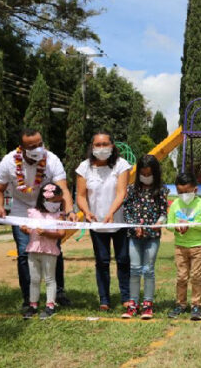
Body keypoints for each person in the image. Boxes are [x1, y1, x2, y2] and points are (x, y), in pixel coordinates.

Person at [0, 128, 75, 313]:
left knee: (54, 251)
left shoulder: (52, 160)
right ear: (21, 148)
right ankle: (29, 299)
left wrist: (69, 210)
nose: (38, 149)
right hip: (22, 210)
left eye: (40, 144)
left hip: (48, 209)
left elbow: (63, 189)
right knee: (24, 253)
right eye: (32, 146)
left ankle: (58, 293)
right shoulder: (8, 162)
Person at [75, 131, 132, 314]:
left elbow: (121, 192)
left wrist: (111, 213)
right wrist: (87, 212)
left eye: (105, 144)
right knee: (102, 261)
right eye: (97, 145)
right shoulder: (84, 167)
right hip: (96, 223)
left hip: (119, 221)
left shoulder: (121, 165)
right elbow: (81, 196)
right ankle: (104, 300)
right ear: (92, 147)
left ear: (112, 146)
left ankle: (126, 297)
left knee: (123, 260)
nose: (101, 148)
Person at [123, 155, 168, 320]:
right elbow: (126, 210)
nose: (146, 177)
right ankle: (133, 304)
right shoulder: (132, 190)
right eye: (143, 174)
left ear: (155, 174)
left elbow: (164, 212)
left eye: (149, 174)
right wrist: (135, 226)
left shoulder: (161, 190)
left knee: (148, 270)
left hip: (153, 237)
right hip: (134, 236)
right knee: (134, 269)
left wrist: (159, 222)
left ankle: (148, 304)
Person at [167, 172, 201, 321]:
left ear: (195, 190)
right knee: (181, 277)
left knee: (197, 277)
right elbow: (169, 225)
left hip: (197, 247)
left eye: (187, 192)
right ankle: (180, 304)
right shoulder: (175, 204)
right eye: (180, 192)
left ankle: (196, 305)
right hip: (180, 247)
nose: (183, 195)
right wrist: (177, 227)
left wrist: (190, 225)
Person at [21, 183, 66, 320]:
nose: (55, 203)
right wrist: (26, 230)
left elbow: (61, 233)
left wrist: (46, 233)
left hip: (50, 251)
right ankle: (33, 305)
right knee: (34, 279)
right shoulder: (33, 213)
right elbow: (29, 229)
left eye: (57, 201)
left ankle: (50, 305)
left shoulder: (59, 215)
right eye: (53, 201)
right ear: (43, 199)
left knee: (49, 279)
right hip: (33, 249)